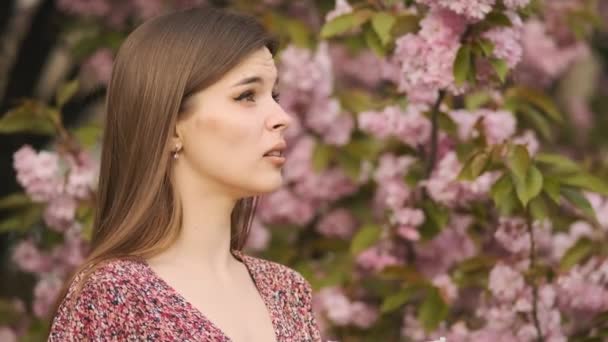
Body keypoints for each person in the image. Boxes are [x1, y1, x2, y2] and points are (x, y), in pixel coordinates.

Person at [47, 6, 321, 342]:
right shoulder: (114, 297)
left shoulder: (288, 292)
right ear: (171, 127)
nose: (281, 116)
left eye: (274, 95)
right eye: (246, 96)